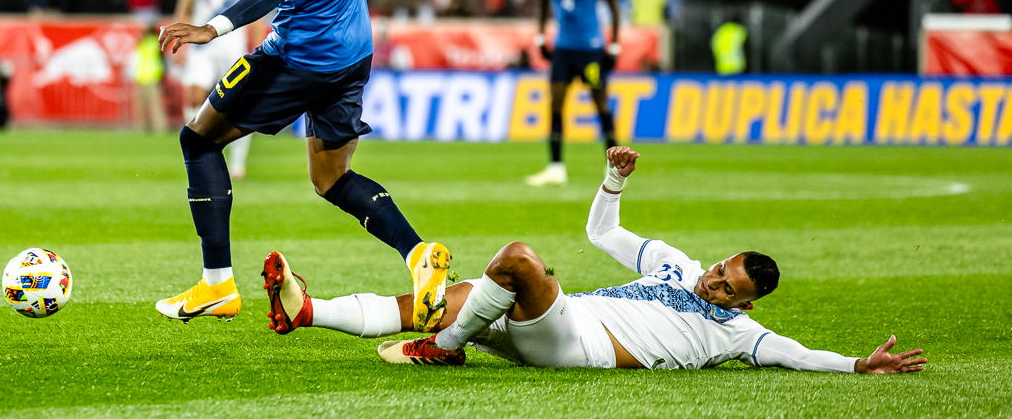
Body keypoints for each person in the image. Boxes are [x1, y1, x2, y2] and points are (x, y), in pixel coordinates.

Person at [263, 147, 928, 376]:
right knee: (447, 295)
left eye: (726, 288)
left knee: (518, 259)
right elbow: (600, 231)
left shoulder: (739, 334)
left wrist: (855, 365)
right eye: (721, 270)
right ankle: (306, 311)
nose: (713, 282)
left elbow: (794, 354)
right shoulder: (673, 263)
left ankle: (442, 348)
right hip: (562, 319)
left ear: (742, 304)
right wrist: (613, 181)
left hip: (583, 346)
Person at [154, 0, 452, 332]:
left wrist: (213, 27)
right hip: (355, 48)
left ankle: (217, 284)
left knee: (197, 140)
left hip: (302, 54)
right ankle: (419, 253)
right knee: (331, 178)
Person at [526, 0, 622, 187]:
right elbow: (543, 4)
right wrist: (540, 36)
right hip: (563, 49)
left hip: (590, 50)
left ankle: (614, 166)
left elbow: (613, 6)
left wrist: (613, 45)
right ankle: (555, 167)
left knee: (601, 105)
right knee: (555, 105)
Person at [173, 0, 258, 180]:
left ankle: (238, 164)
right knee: (193, 94)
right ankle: (196, 153)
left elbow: (256, 23)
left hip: (234, 52)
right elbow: (185, 9)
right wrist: (179, 41)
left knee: (239, 107)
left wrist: (259, 51)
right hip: (203, 50)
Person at [129, 24, 168, 134]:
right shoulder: (146, 42)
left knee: (149, 106)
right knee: (149, 106)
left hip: (150, 76)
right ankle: (157, 128)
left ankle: (149, 128)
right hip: (146, 76)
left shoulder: (150, 42)